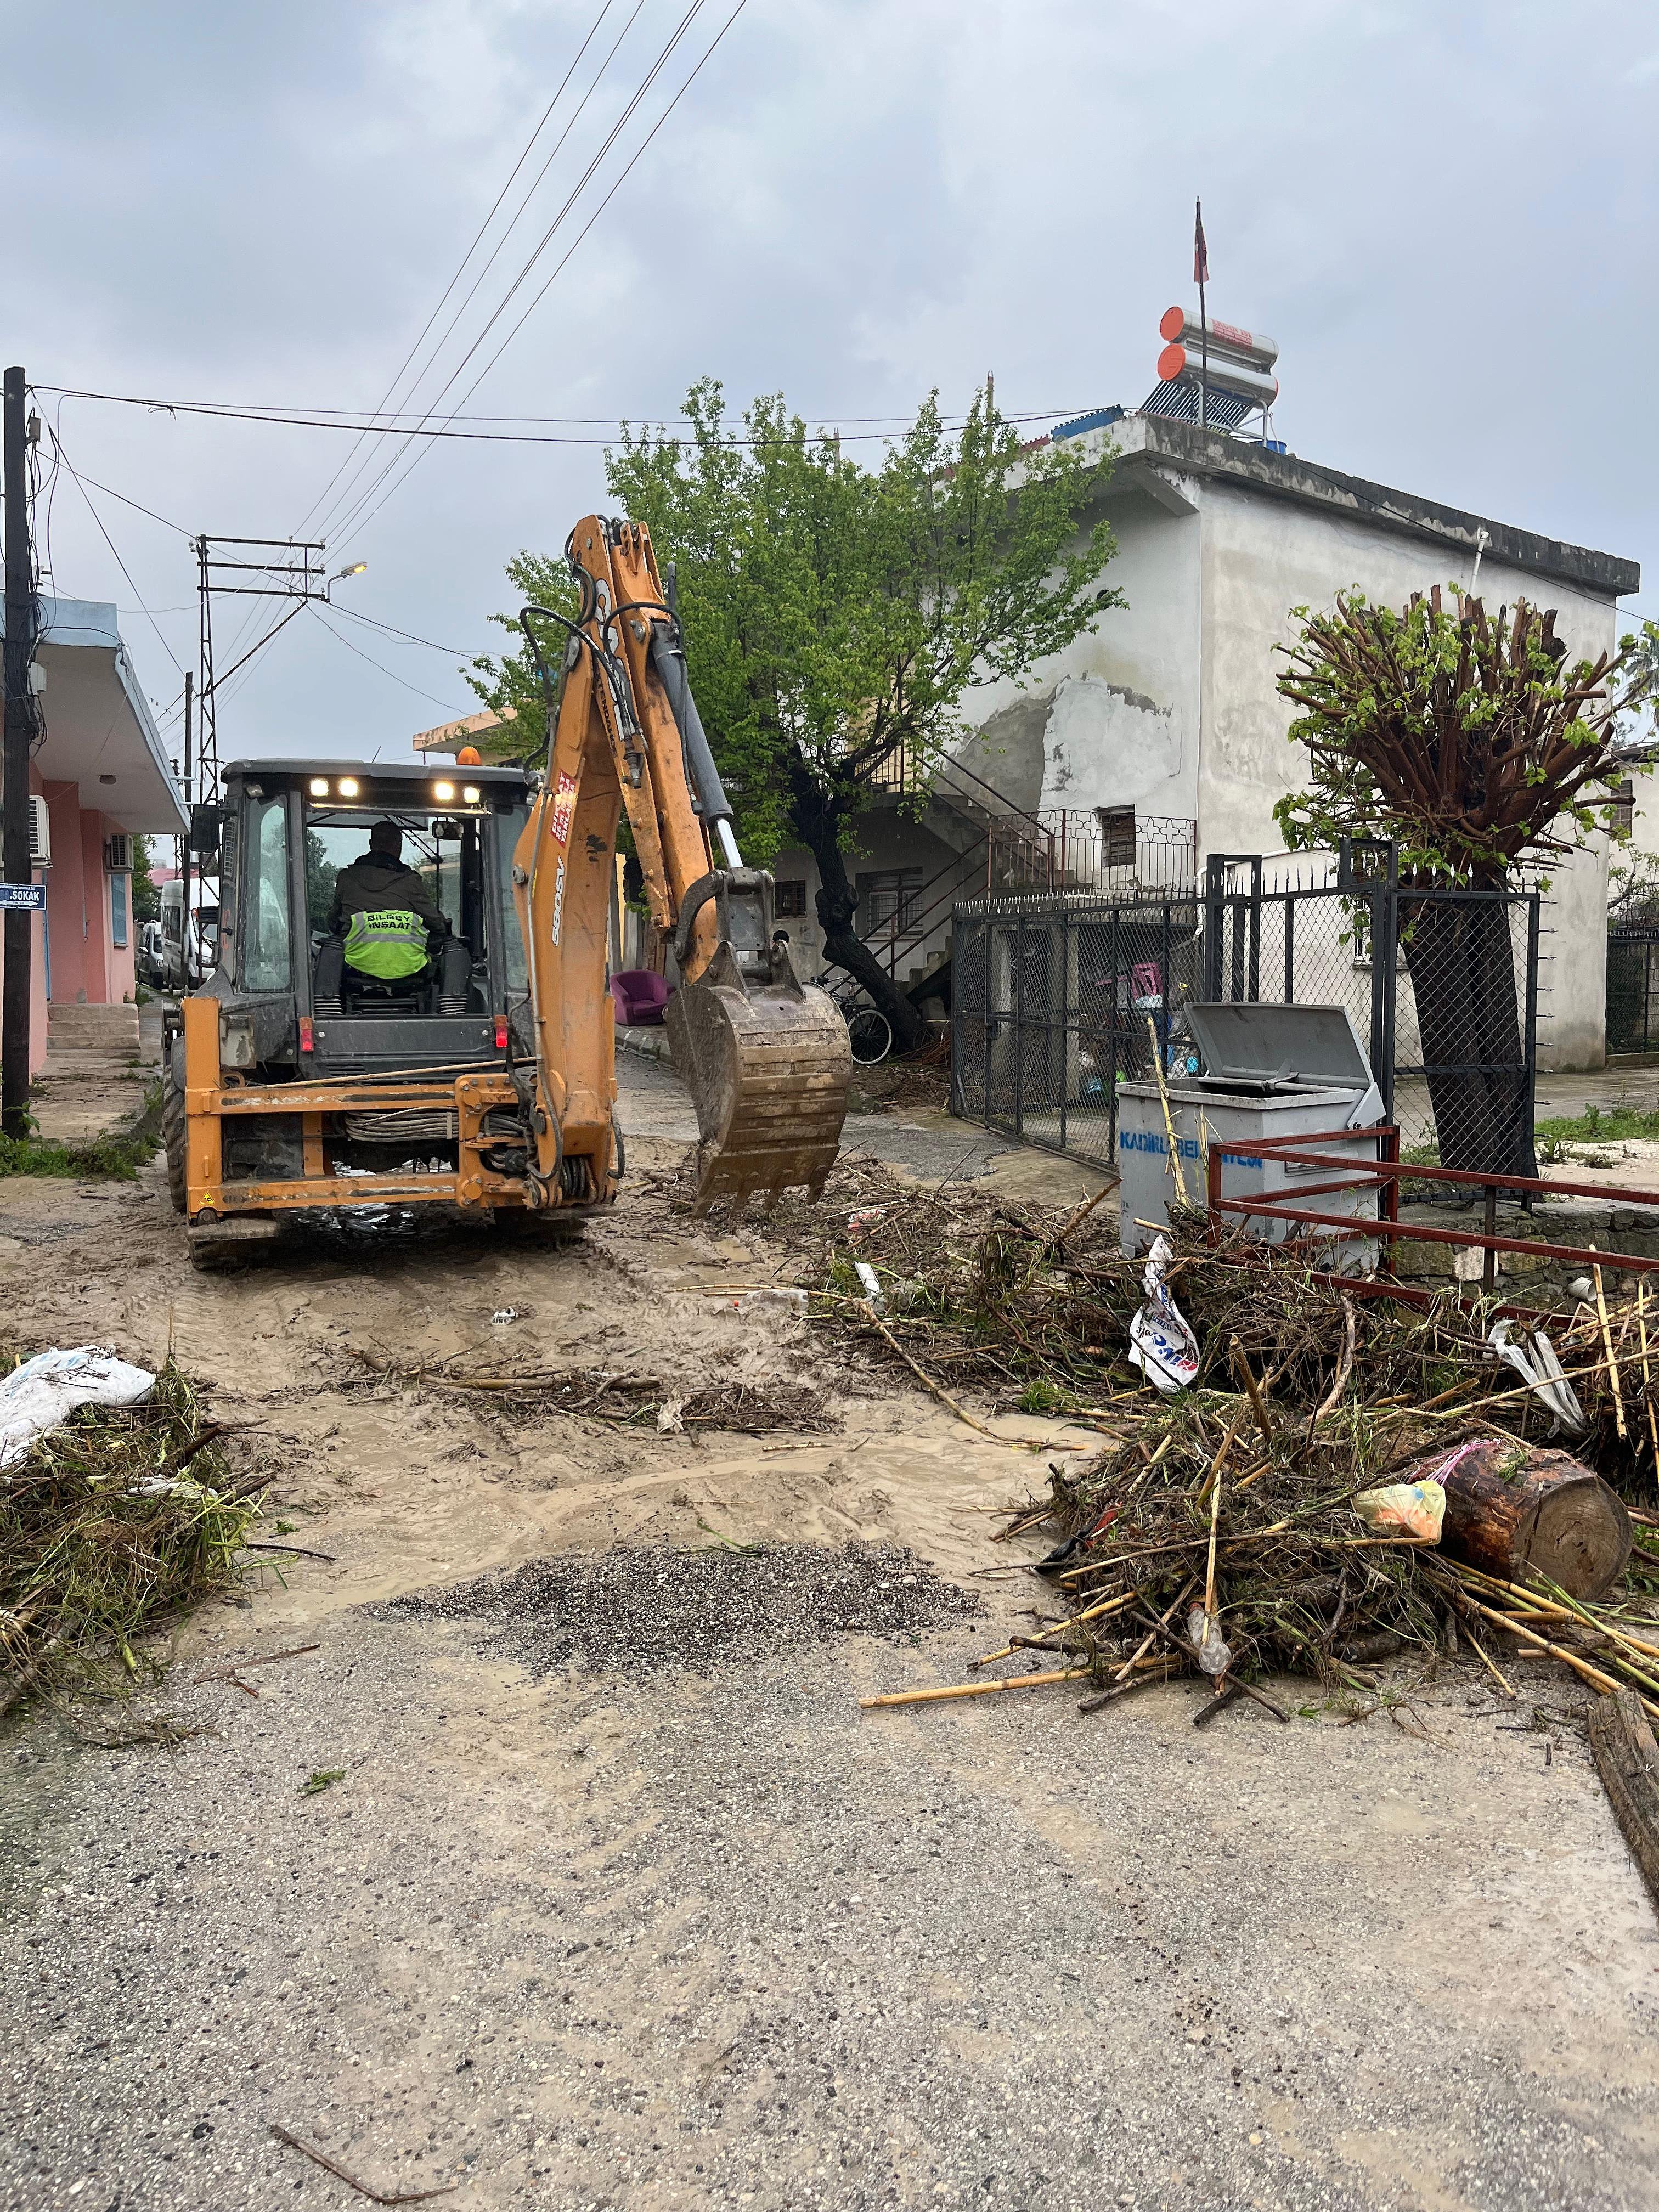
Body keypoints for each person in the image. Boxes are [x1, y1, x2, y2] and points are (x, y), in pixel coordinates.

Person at [328, 820, 447, 981]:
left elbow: (333, 921)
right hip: (410, 968)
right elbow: (435, 922)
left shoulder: (346, 878)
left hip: (354, 966)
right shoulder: (410, 882)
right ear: (399, 846)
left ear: (371, 844)